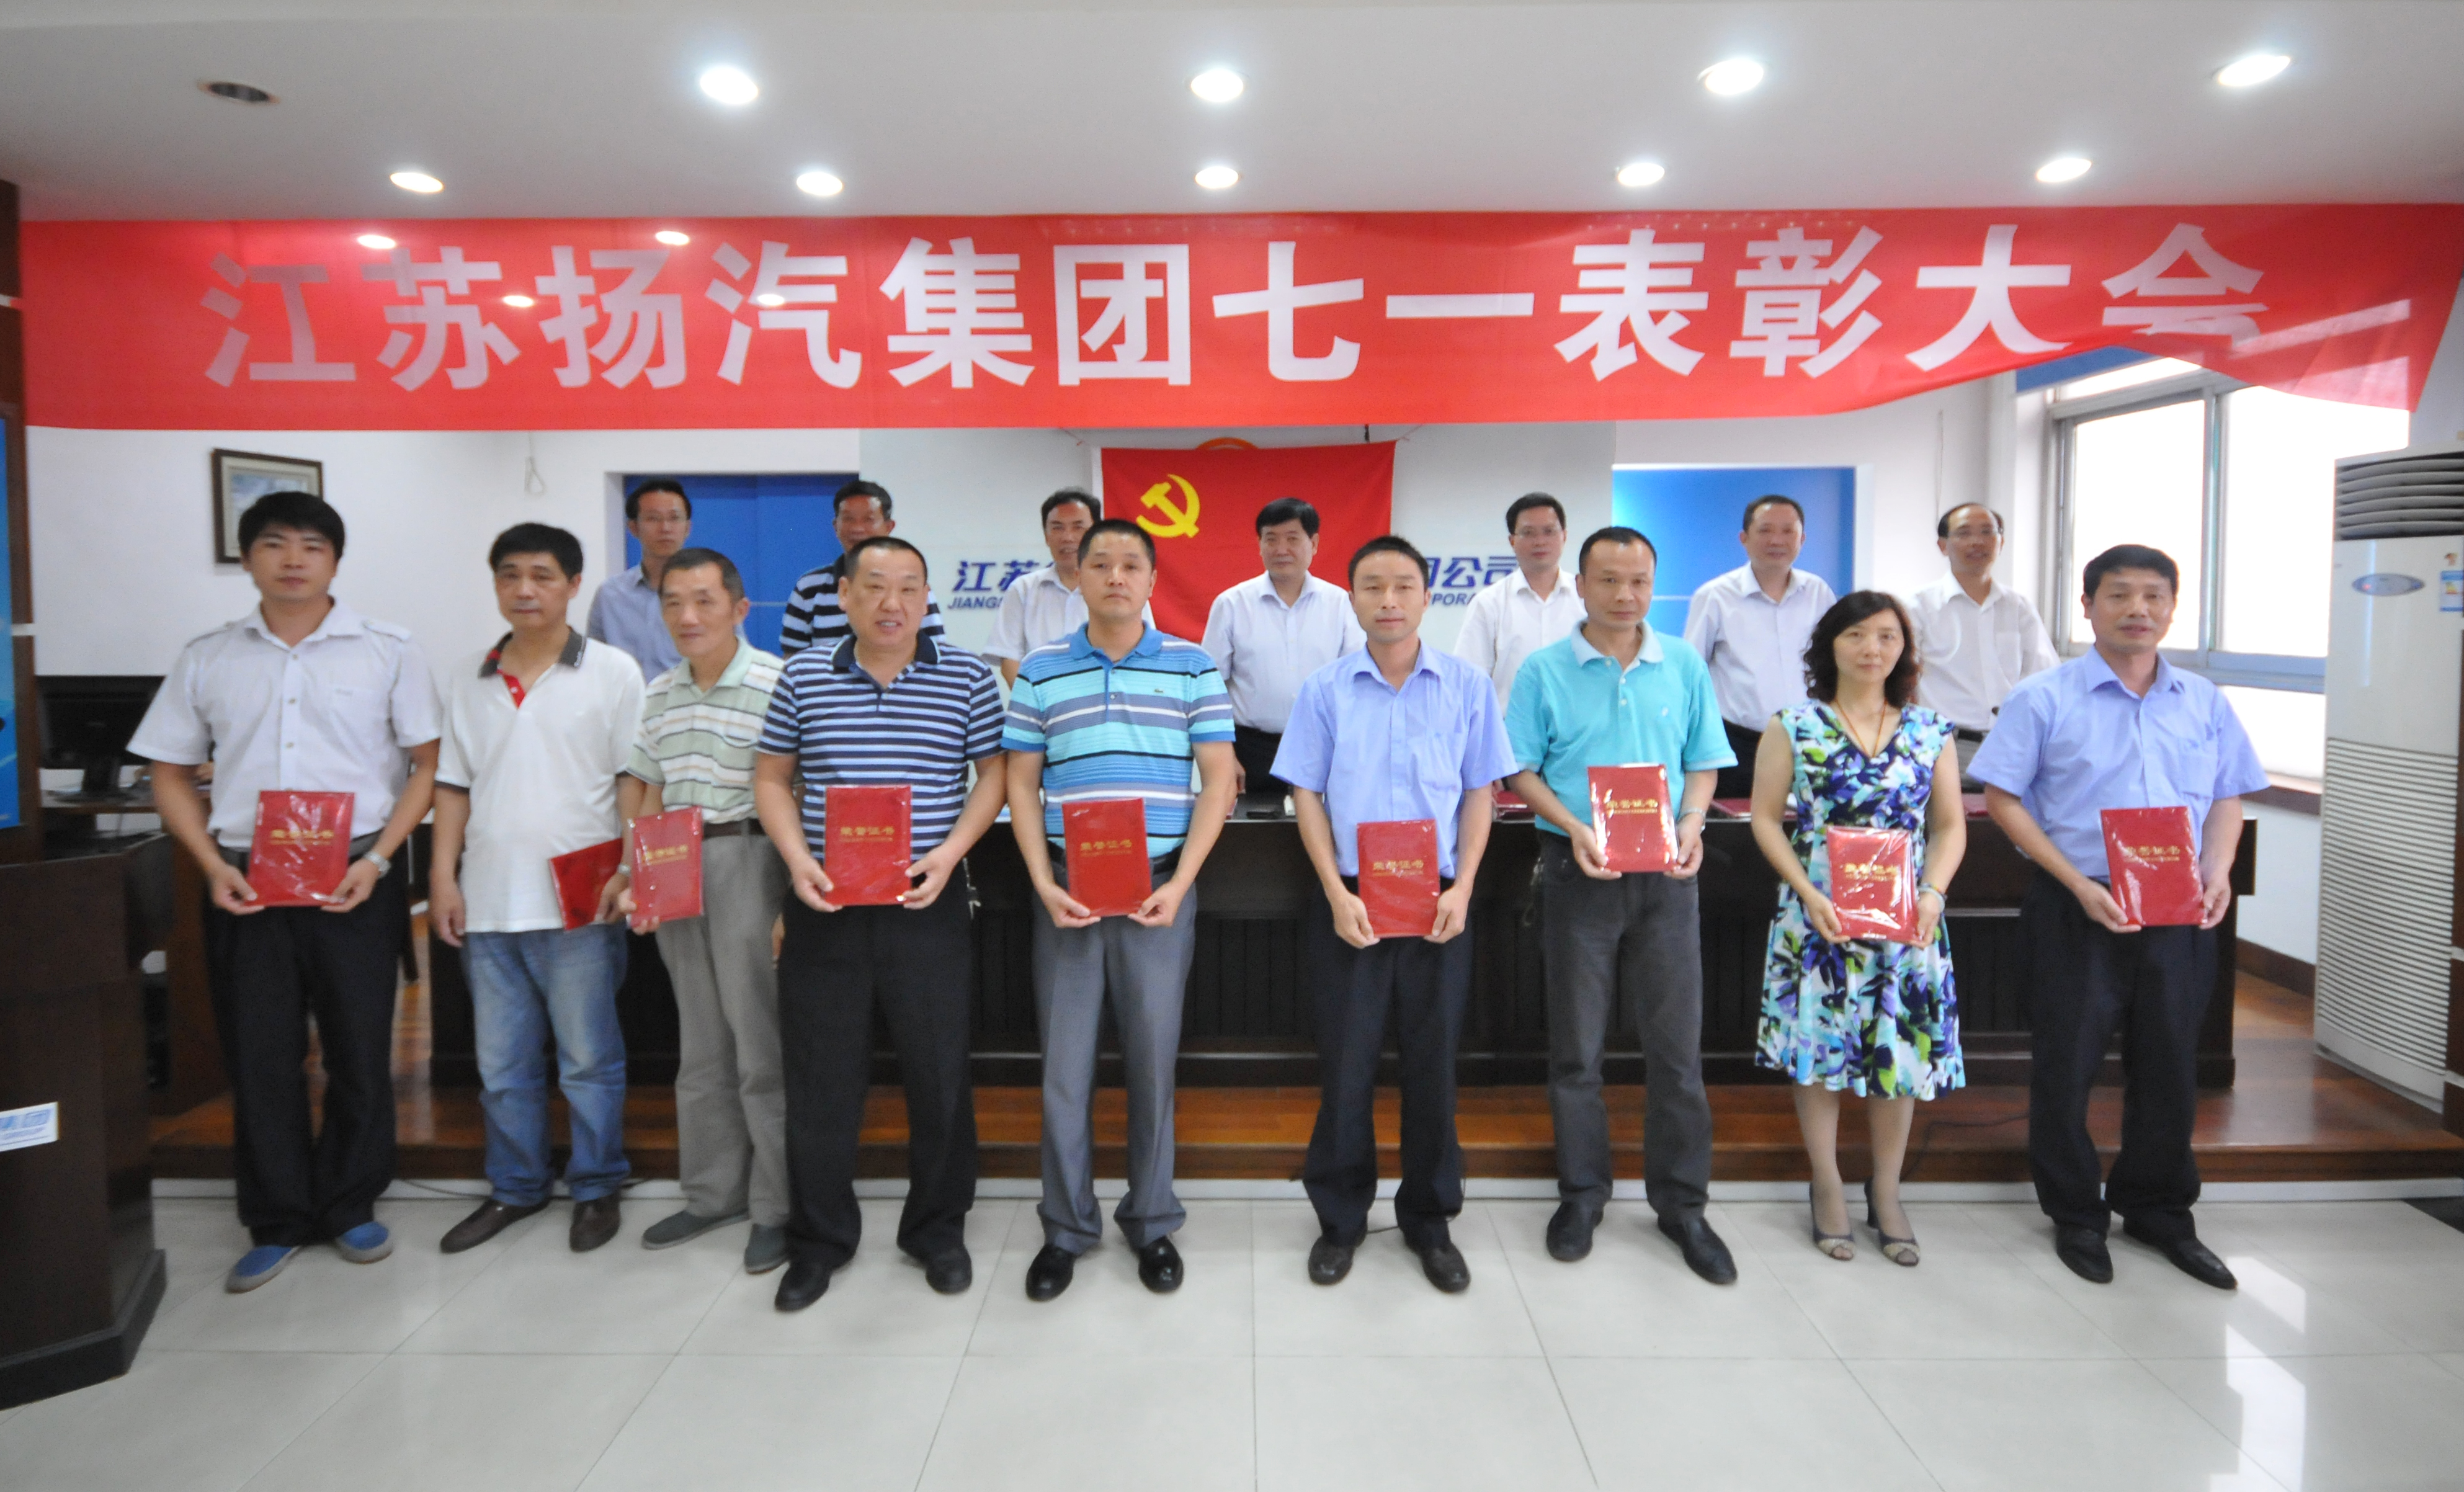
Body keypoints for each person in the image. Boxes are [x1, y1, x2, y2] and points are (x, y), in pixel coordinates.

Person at [132, 491, 439, 1293]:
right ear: (247, 559)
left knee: (358, 1049)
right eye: (274, 543)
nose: (294, 559)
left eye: (312, 545)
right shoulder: (209, 656)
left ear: (336, 560)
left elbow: (428, 765)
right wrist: (211, 863)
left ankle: (350, 1202)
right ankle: (276, 1217)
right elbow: (168, 771)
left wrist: (382, 860)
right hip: (248, 881)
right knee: (260, 1053)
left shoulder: (388, 650)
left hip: (355, 875)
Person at [1970, 543, 2267, 1292]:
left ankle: (2159, 1208)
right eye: (2120, 594)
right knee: (2066, 1061)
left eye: (2154, 596)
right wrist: (2074, 881)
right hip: (2078, 902)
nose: (2139, 609)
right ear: (2088, 605)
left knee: (2170, 1060)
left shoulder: (2203, 699)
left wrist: (2218, 869)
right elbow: (2003, 796)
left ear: (2172, 607)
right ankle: (2076, 1213)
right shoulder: (2044, 696)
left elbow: (2227, 793)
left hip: (2179, 905)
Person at [754, 535, 1007, 1311]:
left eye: (908, 587)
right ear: (844, 596)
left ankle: (937, 1229)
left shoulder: (967, 676)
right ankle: (819, 1240)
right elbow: (773, 776)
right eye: (873, 586)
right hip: (826, 905)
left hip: (925, 905)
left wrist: (950, 852)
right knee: (820, 1079)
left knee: (938, 1074)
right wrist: (798, 861)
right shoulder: (803, 674)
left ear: (928, 598)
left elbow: (994, 774)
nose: (891, 602)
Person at [1274, 535, 1516, 1293]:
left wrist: (1464, 886)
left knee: (1432, 1064)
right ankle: (1341, 1219)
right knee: (1347, 1065)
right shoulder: (1324, 689)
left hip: (1439, 897)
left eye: (1404, 585)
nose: (1388, 599)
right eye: (1373, 586)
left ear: (1426, 596)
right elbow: (1305, 793)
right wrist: (1334, 891)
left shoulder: (1468, 686)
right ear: (1350, 598)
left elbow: (1480, 791)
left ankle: (1430, 1219)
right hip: (1352, 897)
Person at [1004, 517, 1237, 1302]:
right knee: (1064, 1071)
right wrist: (1041, 880)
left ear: (1151, 579)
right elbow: (1020, 782)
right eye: (1099, 562)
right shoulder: (1041, 670)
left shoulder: (1192, 664)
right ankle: (1065, 1227)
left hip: (1159, 892)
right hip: (1066, 890)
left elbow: (1219, 779)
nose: (1114, 575)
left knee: (1152, 1062)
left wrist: (1182, 881)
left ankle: (1152, 1220)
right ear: (1078, 575)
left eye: (1131, 564)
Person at [1506, 525, 1739, 1284]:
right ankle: (1582, 1195)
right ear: (1580, 584)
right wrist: (1573, 826)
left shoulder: (1683, 664)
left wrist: (1693, 822)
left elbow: (1703, 761)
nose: (1625, 594)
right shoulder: (1544, 669)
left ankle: (1683, 1206)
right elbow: (1520, 770)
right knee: (1577, 1049)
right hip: (1578, 871)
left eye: (1639, 580)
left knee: (1677, 1051)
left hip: (1668, 877)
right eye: (1608, 579)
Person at [431, 524, 646, 1256]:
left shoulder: (613, 670)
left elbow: (634, 780)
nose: (525, 589)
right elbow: (452, 784)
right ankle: (516, 1186)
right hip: (489, 897)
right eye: (511, 575)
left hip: (580, 898)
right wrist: (441, 877)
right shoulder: (468, 675)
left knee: (588, 1059)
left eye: (543, 575)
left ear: (574, 585)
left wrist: (628, 869)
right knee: (501, 1066)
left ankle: (597, 1184)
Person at [1750, 590, 1967, 1269]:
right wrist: (1807, 890)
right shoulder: (1794, 724)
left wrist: (1933, 892)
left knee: (1896, 1055)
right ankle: (1826, 1181)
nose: (1873, 648)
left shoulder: (1931, 730)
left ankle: (1887, 1188)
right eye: (1856, 635)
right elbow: (1765, 819)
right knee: (1818, 1051)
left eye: (1887, 636)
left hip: (1907, 922)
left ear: (1904, 648)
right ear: (1830, 645)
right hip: (1819, 916)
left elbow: (1949, 825)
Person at [615, 547, 793, 1275]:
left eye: (704, 600)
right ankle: (713, 1192)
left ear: (739, 608)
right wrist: (635, 874)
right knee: (701, 1044)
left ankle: (777, 1205)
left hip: (750, 859)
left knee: (760, 1044)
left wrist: (791, 898)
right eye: (673, 603)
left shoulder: (780, 682)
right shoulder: (660, 692)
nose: (687, 616)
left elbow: (800, 790)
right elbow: (645, 787)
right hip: (674, 864)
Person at [1200, 496, 1364, 795]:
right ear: (1260, 545)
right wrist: (1225, 755)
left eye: (1292, 539)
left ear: (1314, 543)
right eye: (1271, 539)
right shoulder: (1232, 604)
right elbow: (1209, 688)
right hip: (1250, 749)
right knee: (1251, 825)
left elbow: (1355, 682)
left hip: (1323, 744)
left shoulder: (1340, 604)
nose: (1281, 549)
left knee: (1323, 823)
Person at [1685, 495, 1837, 798]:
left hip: (1808, 740)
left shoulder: (1818, 592)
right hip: (1738, 743)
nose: (1777, 540)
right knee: (1738, 823)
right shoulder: (1715, 596)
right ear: (1744, 538)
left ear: (1802, 539)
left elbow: (1833, 662)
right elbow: (1691, 671)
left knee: (1805, 820)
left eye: (1788, 531)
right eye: (1765, 530)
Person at [1909, 503, 2059, 769]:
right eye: (1964, 533)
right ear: (1943, 546)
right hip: (1942, 745)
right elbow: (1903, 680)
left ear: (2001, 542)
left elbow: (2044, 676)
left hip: (2012, 743)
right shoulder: (1917, 607)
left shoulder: (2019, 607)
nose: (1977, 541)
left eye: (1987, 532)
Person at [982, 488, 1154, 686]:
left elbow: (1142, 653)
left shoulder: (1120, 590)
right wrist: (1036, 699)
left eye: (1078, 527)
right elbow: (1009, 660)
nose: (1068, 537)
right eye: (1057, 528)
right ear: (1046, 536)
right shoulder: (1023, 589)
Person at [777, 478, 948, 658]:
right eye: (849, 519)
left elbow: (935, 651)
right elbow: (793, 656)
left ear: (889, 527)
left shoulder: (911, 585)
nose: (858, 528)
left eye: (869, 519)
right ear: (836, 527)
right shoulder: (809, 587)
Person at [1453, 491, 1582, 707]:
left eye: (1549, 531)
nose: (1540, 541)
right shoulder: (1489, 603)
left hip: (1576, 725)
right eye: (1528, 533)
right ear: (1512, 541)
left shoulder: (1586, 598)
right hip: (1508, 725)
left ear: (1564, 536)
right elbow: (1468, 679)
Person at [586, 479, 696, 681]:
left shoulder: (708, 592)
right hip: (625, 700)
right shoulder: (610, 595)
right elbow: (593, 663)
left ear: (688, 528)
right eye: (653, 519)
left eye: (674, 518)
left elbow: (732, 657)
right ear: (634, 528)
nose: (665, 528)